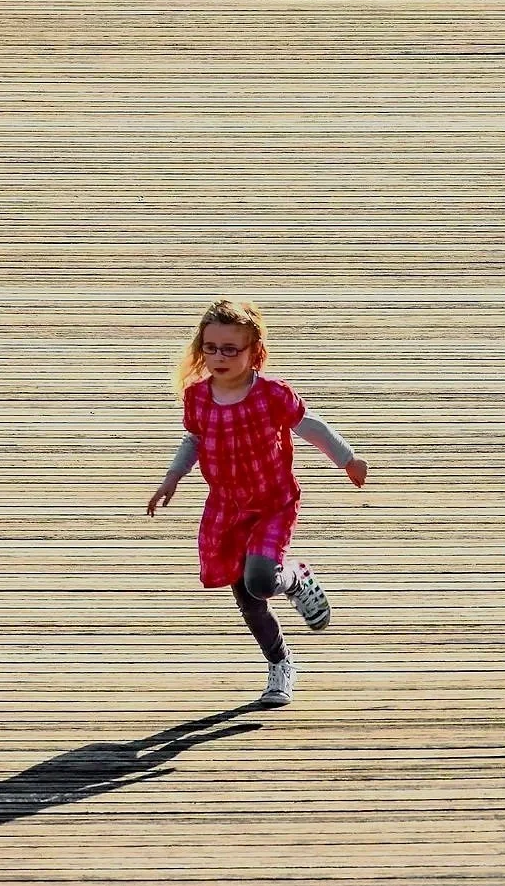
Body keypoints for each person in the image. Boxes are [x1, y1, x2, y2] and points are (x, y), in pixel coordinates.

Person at [146, 298, 367, 707]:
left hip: (272, 502)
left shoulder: (271, 395)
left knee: (262, 579)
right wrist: (171, 479)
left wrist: (346, 458)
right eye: (210, 348)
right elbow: (193, 439)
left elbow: (310, 425)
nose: (219, 357)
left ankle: (295, 578)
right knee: (247, 598)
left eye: (231, 349)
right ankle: (279, 665)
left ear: (254, 352)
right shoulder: (198, 397)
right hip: (226, 508)